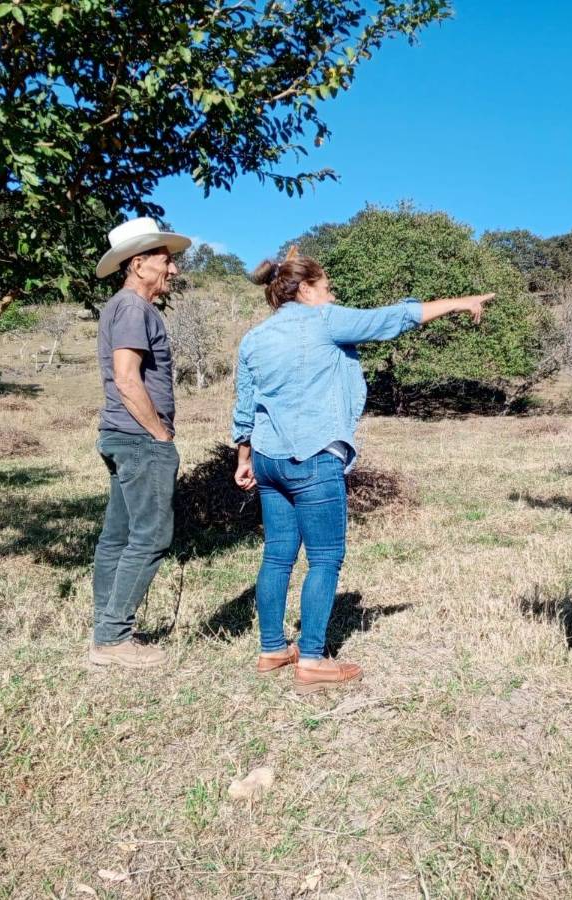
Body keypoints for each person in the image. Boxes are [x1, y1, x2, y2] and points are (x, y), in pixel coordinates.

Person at [232, 249, 494, 694]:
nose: (334, 296)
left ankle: (273, 648)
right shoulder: (325, 320)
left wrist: (243, 458)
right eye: (329, 287)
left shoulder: (254, 338)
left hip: (267, 457)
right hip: (312, 457)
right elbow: (392, 319)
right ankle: (312, 659)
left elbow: (245, 406)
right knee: (325, 557)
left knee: (278, 555)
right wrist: (459, 301)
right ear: (308, 288)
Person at [88, 217, 191, 669]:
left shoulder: (126, 306)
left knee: (118, 536)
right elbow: (129, 380)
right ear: (139, 263)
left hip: (121, 436)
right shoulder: (132, 309)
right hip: (137, 438)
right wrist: (160, 434)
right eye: (166, 262)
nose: (174, 271)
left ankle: (105, 631)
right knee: (151, 536)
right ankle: (113, 639)